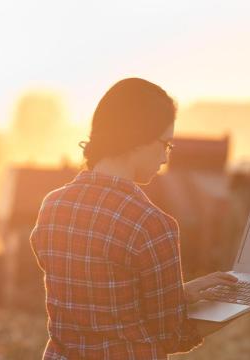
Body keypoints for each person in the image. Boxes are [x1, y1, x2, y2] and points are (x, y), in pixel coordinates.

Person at [30, 78, 238, 359]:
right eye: (166, 144)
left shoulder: (52, 206)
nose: (166, 158)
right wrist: (236, 307)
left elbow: (100, 300)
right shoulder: (152, 224)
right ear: (139, 139)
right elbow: (171, 336)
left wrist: (180, 294)